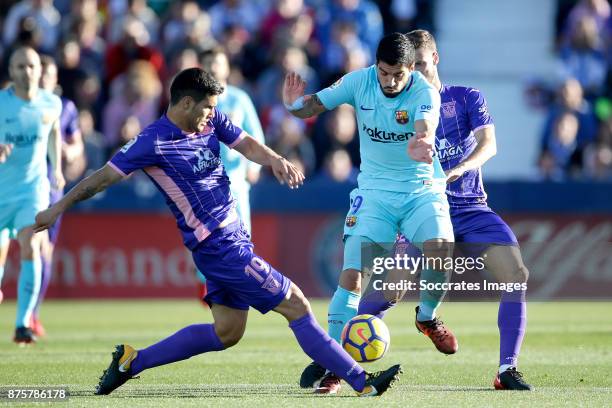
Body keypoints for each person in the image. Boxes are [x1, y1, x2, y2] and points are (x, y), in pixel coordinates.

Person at [33, 68, 402, 397]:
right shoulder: (153, 142)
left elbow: (245, 143)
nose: (213, 114)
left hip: (232, 239)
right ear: (186, 103)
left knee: (227, 331)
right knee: (297, 305)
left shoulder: (210, 122)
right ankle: (361, 381)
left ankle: (132, 361)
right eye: (207, 107)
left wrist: (275, 160)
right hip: (220, 247)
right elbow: (101, 179)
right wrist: (57, 207)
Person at [284, 32, 456, 394]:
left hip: (420, 189)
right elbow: (314, 104)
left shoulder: (424, 91)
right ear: (376, 66)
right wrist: (293, 106)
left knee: (441, 250)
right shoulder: (359, 81)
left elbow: (425, 128)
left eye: (398, 74)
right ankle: (330, 361)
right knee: (352, 276)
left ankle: (426, 317)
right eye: (384, 73)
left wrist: (422, 142)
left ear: (412, 69)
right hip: (375, 193)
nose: (390, 81)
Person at [402, 29, 532, 390]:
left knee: (516, 276)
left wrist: (460, 168)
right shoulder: (399, 111)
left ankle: (506, 370)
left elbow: (489, 144)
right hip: (421, 211)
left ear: (436, 59)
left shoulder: (464, 97)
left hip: (471, 208)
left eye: (422, 65)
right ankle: (336, 364)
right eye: (410, 68)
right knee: (384, 291)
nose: (417, 74)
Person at [0, 46, 64, 344]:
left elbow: (53, 133)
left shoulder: (51, 104)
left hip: (33, 190)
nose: (26, 72)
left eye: (31, 66)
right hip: (2, 192)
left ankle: (23, 323)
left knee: (32, 245)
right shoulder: (2, 104)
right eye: (20, 66)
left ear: (40, 70)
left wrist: (58, 168)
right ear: (11, 72)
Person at [29, 55, 86, 337]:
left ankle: (32, 315)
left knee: (44, 250)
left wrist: (66, 151)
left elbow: (77, 148)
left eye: (46, 76)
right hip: (22, 184)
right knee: (30, 244)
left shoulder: (65, 108)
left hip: (51, 187)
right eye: (38, 74)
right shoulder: (17, 105)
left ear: (54, 80)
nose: (40, 80)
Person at [201, 48, 265, 235]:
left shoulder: (239, 99)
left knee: (240, 236)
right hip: (205, 183)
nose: (213, 67)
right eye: (208, 62)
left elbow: (256, 135)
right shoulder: (193, 103)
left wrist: (253, 167)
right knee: (205, 240)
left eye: (218, 62)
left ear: (227, 68)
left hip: (235, 180)